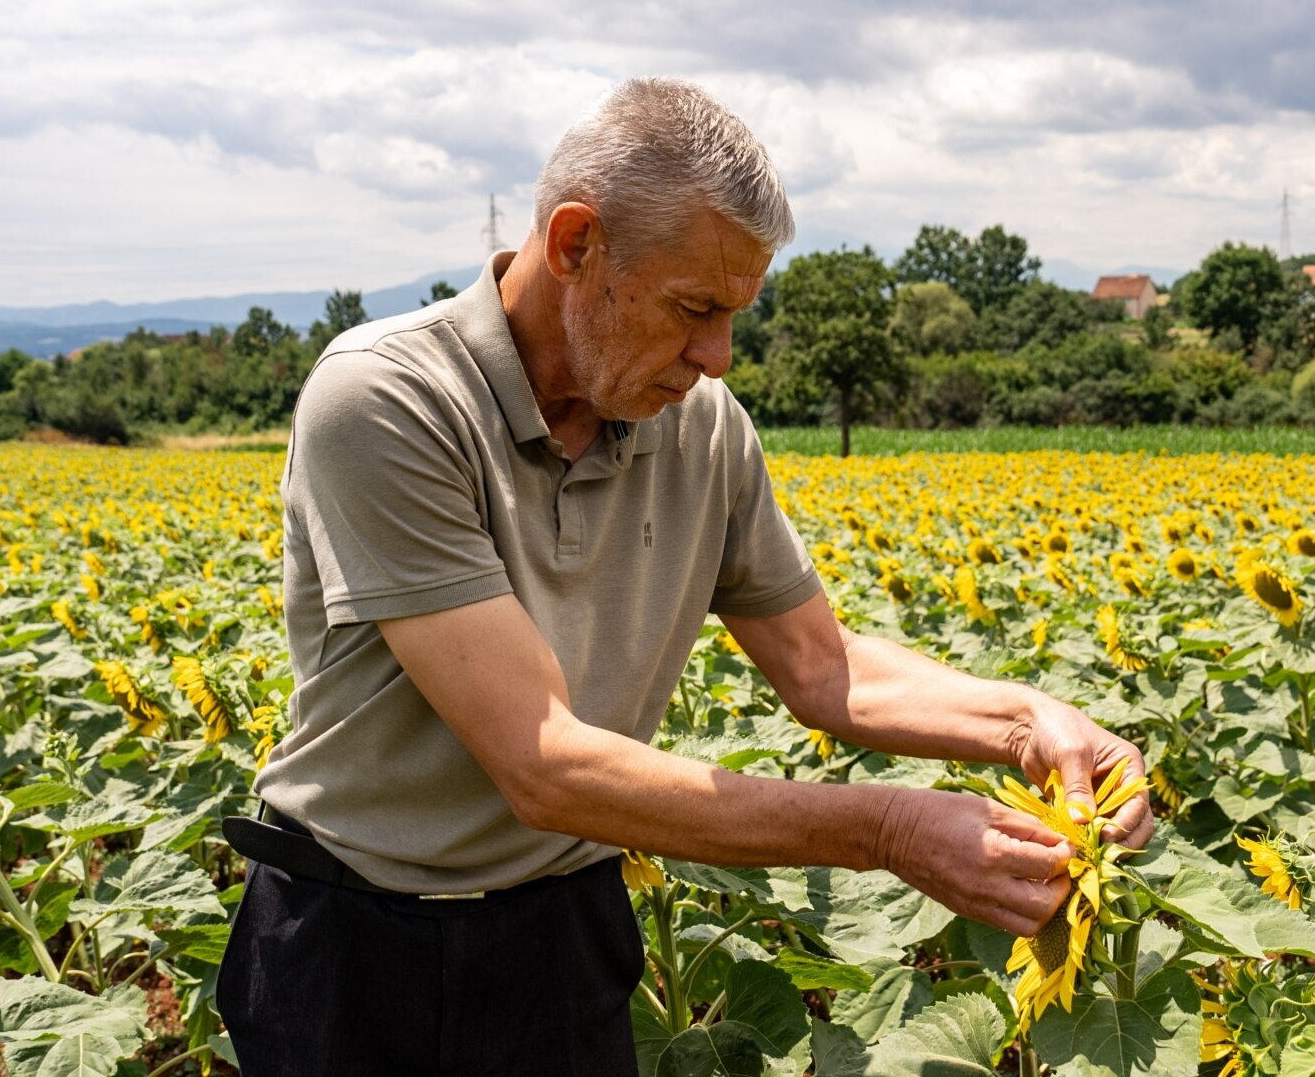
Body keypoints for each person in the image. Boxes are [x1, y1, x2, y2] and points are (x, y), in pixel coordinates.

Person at [215, 77, 1152, 1075]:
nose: (718, 356)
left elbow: (820, 666)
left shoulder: (697, 426)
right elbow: (541, 761)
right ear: (576, 246)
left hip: (564, 928)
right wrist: (881, 827)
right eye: (694, 308)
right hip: (360, 941)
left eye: (734, 314)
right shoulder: (390, 400)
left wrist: (1027, 723)